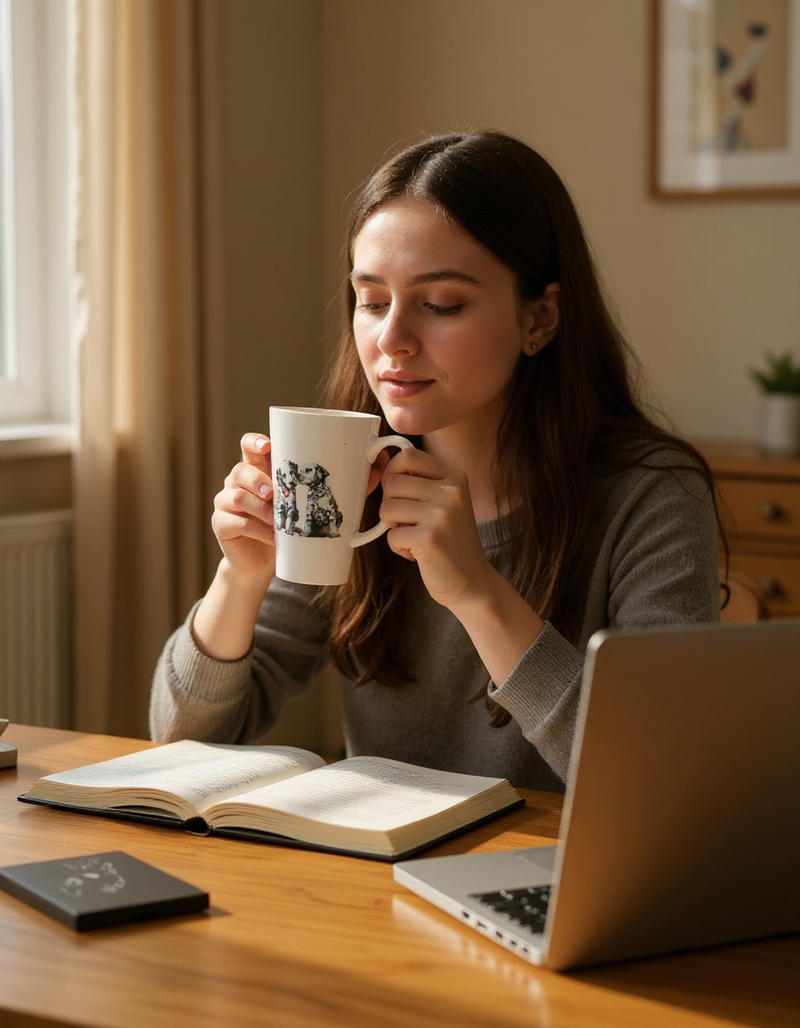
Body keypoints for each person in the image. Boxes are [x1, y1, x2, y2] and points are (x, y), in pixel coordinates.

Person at [150, 130, 721, 791]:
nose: (391, 339)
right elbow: (179, 740)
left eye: (441, 304)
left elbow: (655, 780)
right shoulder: (348, 480)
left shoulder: (650, 497)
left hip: (557, 881)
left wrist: (478, 593)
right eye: (370, 300)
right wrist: (239, 579)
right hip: (379, 878)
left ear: (540, 318)